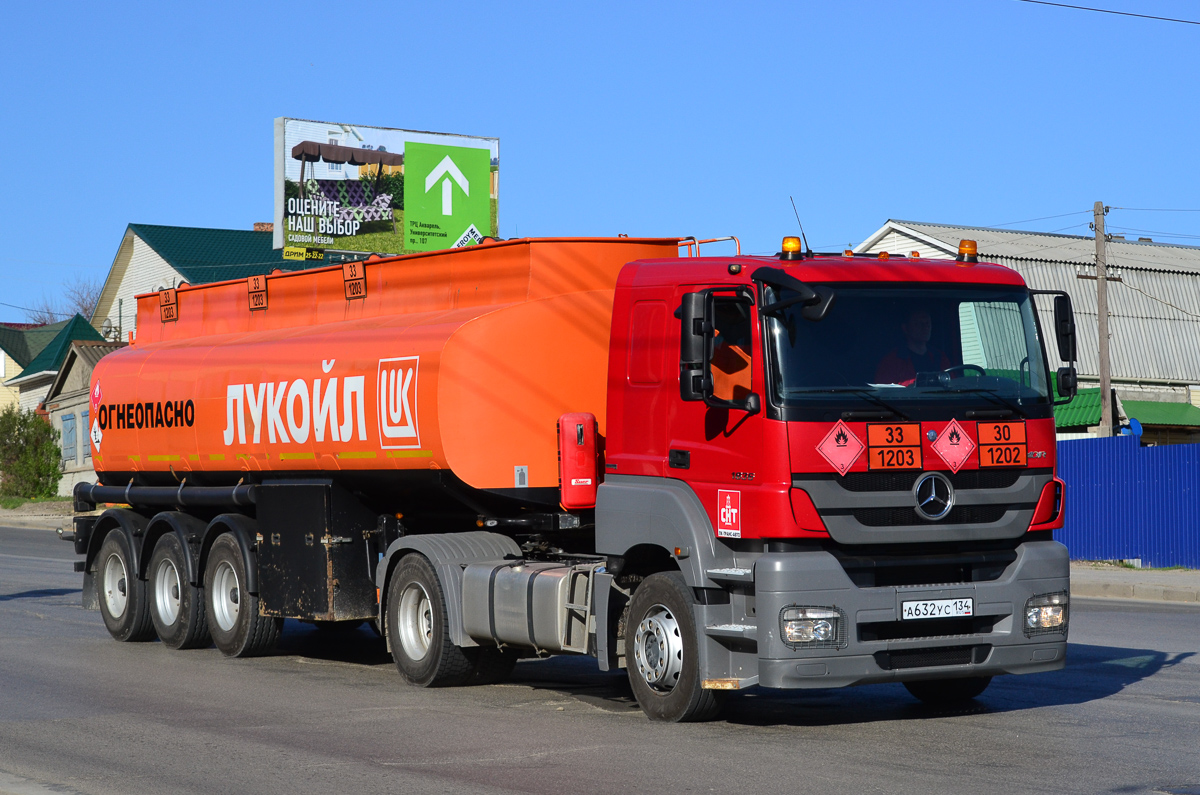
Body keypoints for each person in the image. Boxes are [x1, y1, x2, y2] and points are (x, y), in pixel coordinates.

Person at [875, 308, 952, 385]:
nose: (925, 327)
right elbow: (884, 392)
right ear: (905, 328)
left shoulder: (940, 357)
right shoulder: (891, 362)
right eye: (918, 323)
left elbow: (953, 384)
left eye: (927, 323)